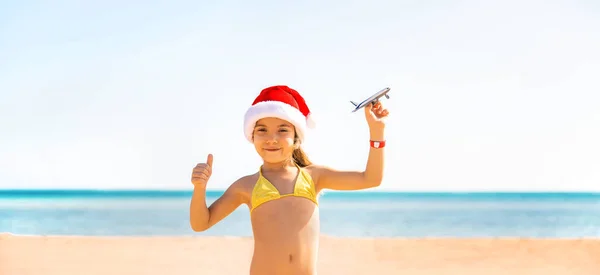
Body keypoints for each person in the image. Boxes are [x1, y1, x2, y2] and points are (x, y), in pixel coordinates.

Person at [189, 85, 389, 275]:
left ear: (296, 138)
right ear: (252, 136)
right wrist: (200, 188)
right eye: (262, 130)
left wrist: (377, 131)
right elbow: (201, 223)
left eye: (282, 130)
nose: (272, 139)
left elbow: (370, 179)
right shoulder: (246, 186)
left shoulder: (313, 177)